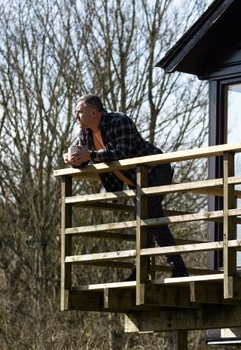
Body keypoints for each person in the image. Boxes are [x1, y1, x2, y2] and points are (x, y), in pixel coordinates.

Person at [63, 94, 188, 278]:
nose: (76, 116)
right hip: (135, 180)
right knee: (149, 219)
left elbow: (123, 153)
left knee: (146, 217)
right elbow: (86, 158)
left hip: (156, 170)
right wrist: (73, 160)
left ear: (93, 111)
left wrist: (91, 155)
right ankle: (167, 270)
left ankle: (150, 271)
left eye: (79, 112)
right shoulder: (86, 133)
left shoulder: (119, 121)